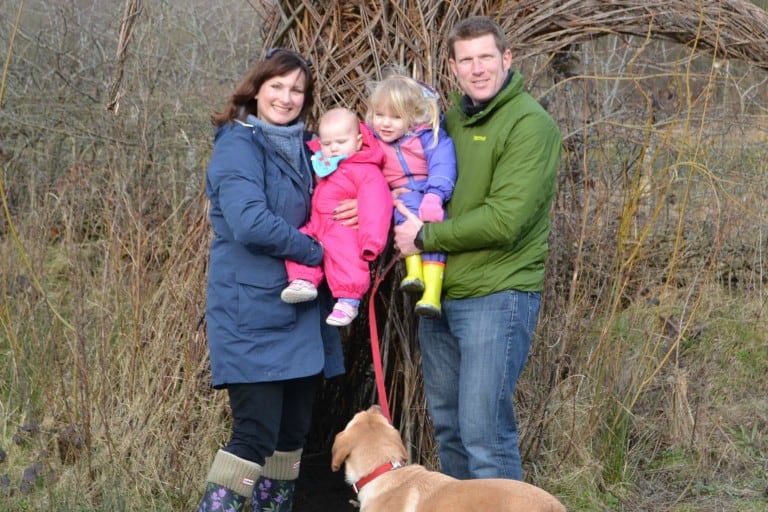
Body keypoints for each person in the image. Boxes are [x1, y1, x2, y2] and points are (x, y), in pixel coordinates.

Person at [394, 16, 562, 481]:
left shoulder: (531, 125)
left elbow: (505, 221)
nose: (478, 68)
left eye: (486, 56)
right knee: (449, 432)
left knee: (484, 435)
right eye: (466, 60)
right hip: (440, 296)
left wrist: (423, 237)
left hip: (497, 296)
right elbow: (402, 171)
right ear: (452, 69)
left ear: (507, 59)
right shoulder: (445, 123)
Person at [198, 48, 357, 512]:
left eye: (297, 89)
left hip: (301, 315)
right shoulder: (238, 144)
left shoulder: (310, 147)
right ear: (257, 87)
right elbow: (249, 222)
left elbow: (350, 180)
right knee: (254, 436)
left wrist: (353, 209)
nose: (286, 98)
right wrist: (316, 251)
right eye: (277, 86)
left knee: (290, 440)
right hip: (252, 316)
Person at [280, 107, 392, 326]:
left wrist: (372, 242)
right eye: (327, 143)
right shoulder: (322, 164)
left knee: (345, 255)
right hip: (318, 222)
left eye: (341, 142)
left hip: (342, 224)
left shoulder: (366, 169)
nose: (333, 149)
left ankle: (349, 299)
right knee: (298, 240)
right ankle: (303, 279)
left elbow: (377, 206)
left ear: (359, 142)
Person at [366, 74, 457, 317]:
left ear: (412, 117)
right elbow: (363, 172)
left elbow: (442, 165)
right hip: (401, 196)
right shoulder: (370, 142)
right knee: (403, 221)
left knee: (431, 232)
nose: (385, 123)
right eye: (380, 115)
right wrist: (383, 195)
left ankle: (432, 295)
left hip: (427, 192)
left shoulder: (428, 137)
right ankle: (414, 272)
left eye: (396, 117)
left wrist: (435, 196)